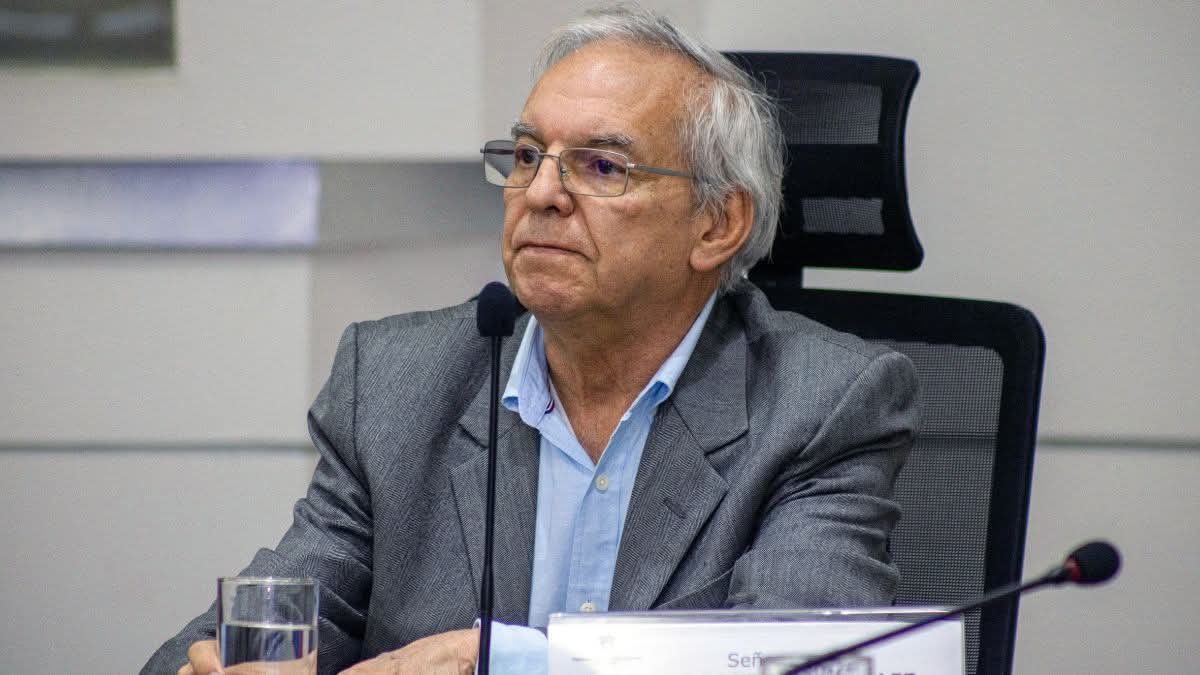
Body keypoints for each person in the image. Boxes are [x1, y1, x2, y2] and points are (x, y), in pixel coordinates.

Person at [144, 6, 918, 675]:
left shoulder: (821, 406)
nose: (541, 193)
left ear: (717, 224)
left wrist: (496, 659)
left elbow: (800, 660)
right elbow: (269, 621)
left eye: (602, 166)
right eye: (525, 156)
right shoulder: (394, 385)